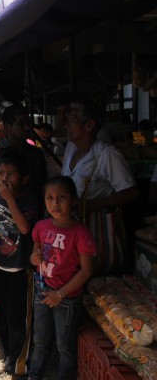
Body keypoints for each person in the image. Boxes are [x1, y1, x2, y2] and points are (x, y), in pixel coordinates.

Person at [28, 176, 96, 380]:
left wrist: (60, 293)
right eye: (49, 198)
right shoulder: (41, 226)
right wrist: (34, 258)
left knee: (64, 345)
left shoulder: (81, 233)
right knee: (40, 339)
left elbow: (86, 271)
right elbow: (34, 256)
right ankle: (34, 374)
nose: (55, 203)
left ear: (73, 200)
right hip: (43, 291)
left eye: (61, 197)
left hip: (67, 298)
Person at [61, 100, 138, 275]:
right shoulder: (71, 149)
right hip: (70, 227)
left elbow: (132, 192)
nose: (66, 126)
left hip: (94, 228)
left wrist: (94, 205)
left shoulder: (107, 155)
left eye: (72, 121)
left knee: (92, 273)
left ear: (89, 126)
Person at [0, 151, 38, 379]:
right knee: (1, 314)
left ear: (23, 178)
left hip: (19, 268)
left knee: (18, 318)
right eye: (1, 173)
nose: (5, 179)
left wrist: (10, 199)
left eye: (11, 174)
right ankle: (7, 355)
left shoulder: (29, 200)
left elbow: (25, 229)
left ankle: (18, 364)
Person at [0, 104, 47, 206]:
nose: (26, 128)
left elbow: (43, 186)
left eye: (28, 123)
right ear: (8, 127)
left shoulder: (36, 154)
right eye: (21, 124)